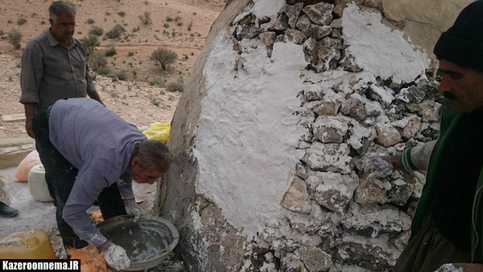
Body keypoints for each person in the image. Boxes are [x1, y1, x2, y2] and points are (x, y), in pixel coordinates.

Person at [369, 1, 483, 271]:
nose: (442, 87)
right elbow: (449, 149)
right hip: (433, 242)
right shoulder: (469, 112)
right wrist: (399, 161)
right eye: (443, 73)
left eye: (455, 75)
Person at [32, 98, 170, 271]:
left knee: (110, 192)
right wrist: (105, 247)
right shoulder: (102, 165)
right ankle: (79, 254)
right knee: (67, 194)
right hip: (52, 123)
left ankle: (116, 235)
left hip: (85, 125)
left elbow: (125, 167)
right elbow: (72, 212)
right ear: (136, 163)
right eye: (150, 177)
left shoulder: (139, 143)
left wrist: (128, 199)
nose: (151, 183)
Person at [20, 1, 104, 139]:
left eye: (72, 24)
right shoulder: (36, 47)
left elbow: (86, 80)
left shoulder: (79, 46)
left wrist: (100, 105)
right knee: (55, 157)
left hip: (79, 116)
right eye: (64, 24)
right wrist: (30, 119)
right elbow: (30, 85)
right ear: (52, 22)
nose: (69, 29)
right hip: (51, 119)